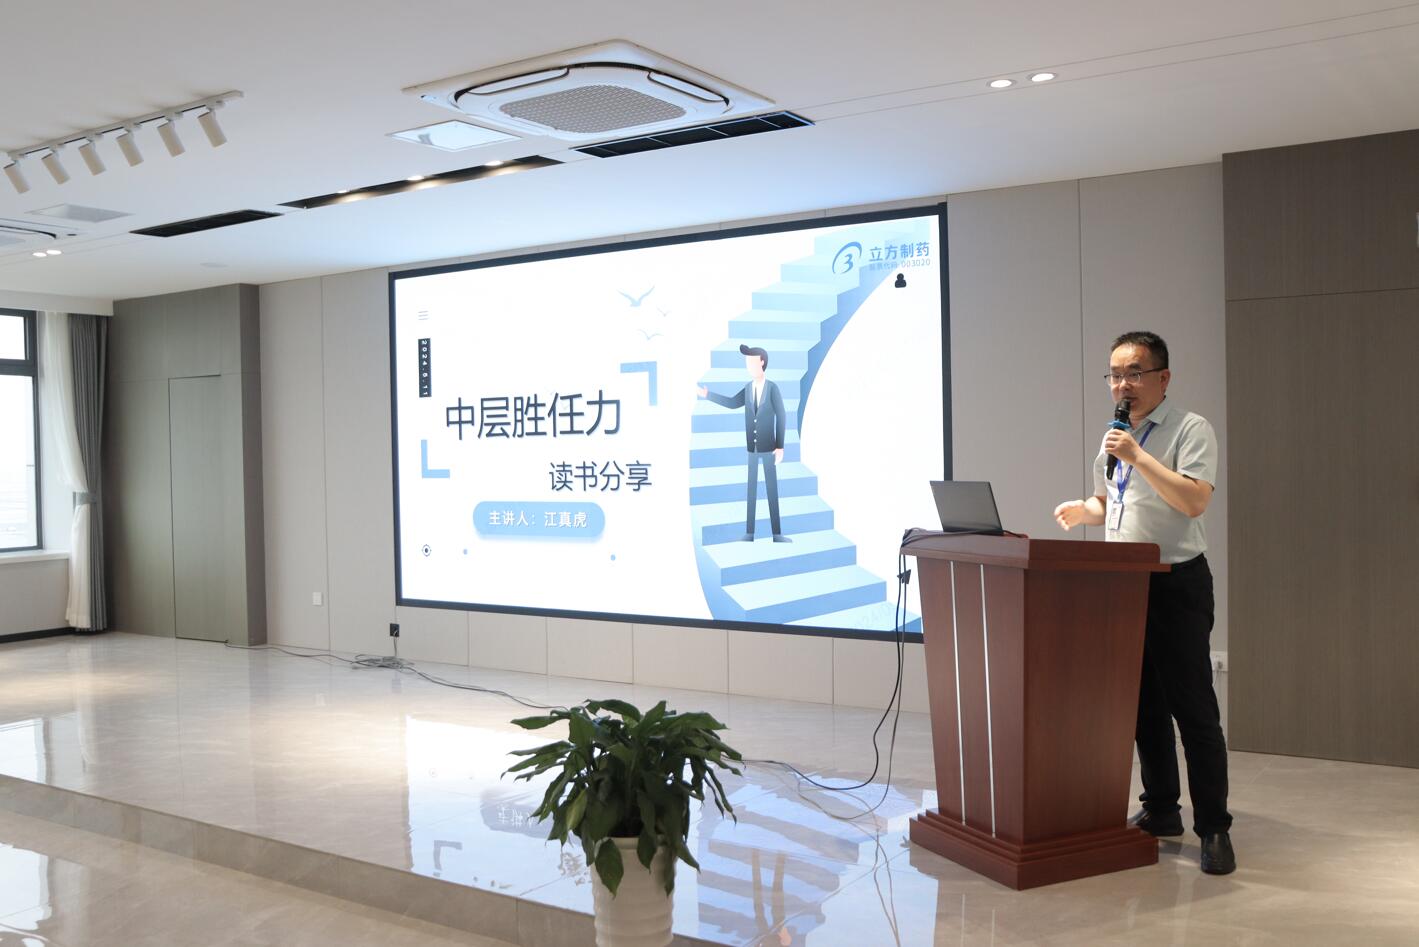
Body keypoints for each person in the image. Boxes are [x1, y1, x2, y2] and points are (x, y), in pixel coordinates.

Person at [1052, 331, 1235, 875]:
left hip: (1176, 583)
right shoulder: (1115, 435)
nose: (1122, 385)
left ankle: (1215, 828)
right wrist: (1084, 510)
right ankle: (1161, 809)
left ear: (1163, 377)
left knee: (1192, 709)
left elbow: (1193, 500)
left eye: (1133, 373)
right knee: (1143, 707)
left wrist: (1137, 454)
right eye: (1114, 375)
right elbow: (1110, 501)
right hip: (1124, 585)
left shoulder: (1190, 428)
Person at [697, 344, 791, 542]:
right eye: (747, 361)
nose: (748, 365)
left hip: (769, 448)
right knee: (751, 490)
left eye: (751, 361)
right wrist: (708, 395)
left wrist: (780, 446)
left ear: (762, 362)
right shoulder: (748, 389)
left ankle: (777, 534)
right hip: (752, 448)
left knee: (772, 490)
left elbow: (781, 415)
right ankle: (750, 533)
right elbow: (732, 403)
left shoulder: (772, 388)